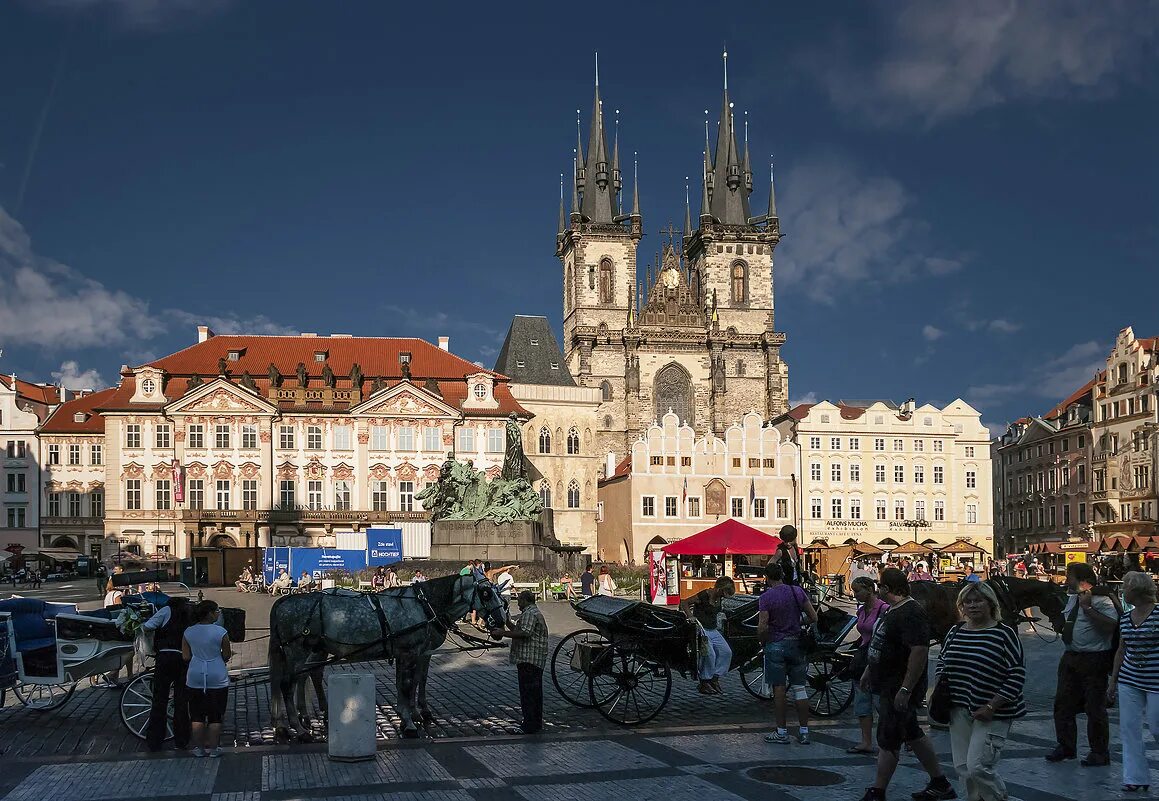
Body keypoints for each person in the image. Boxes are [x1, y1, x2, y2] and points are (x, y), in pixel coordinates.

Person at [857, 568, 956, 801]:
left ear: (888, 589)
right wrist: (869, 669)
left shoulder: (911, 613)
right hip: (888, 682)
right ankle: (940, 783)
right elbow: (881, 644)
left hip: (898, 687)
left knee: (888, 738)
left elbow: (919, 652)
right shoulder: (893, 610)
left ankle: (878, 791)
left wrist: (905, 689)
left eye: (880, 585)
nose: (878, 589)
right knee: (912, 733)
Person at [937, 581, 1026, 801]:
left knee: (978, 766)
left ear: (990, 603)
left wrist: (992, 705)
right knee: (963, 769)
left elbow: (1017, 674)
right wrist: (940, 684)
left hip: (992, 711)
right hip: (959, 708)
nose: (973, 605)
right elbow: (941, 660)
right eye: (968, 601)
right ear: (962, 606)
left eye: (979, 600)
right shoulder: (955, 631)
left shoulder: (1003, 633)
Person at [1046, 561, 1118, 766]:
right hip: (1071, 657)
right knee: (1062, 704)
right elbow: (1072, 622)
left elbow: (1111, 626)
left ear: (1084, 581)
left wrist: (1087, 608)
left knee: (1094, 708)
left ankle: (1099, 752)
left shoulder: (1102, 598)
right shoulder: (1072, 598)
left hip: (1094, 658)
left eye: (1070, 577)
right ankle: (1066, 746)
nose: (1066, 580)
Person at [1108, 571, 1159, 792]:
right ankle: (1134, 777)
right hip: (1129, 679)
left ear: (1136, 591)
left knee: (1157, 727)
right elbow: (1121, 649)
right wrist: (1113, 681)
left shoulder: (1158, 614)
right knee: (1129, 728)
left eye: (1125, 588)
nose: (1122, 592)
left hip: (1156, 680)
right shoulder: (1126, 617)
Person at [759, 563, 817, 744]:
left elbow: (763, 625)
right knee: (800, 688)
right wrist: (798, 623)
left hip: (776, 644)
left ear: (767, 578)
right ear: (783, 575)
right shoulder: (797, 591)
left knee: (779, 690)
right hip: (796, 644)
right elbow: (813, 617)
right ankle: (804, 731)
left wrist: (762, 640)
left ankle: (782, 732)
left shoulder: (766, 597)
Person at [490, 589, 549, 735]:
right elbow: (519, 629)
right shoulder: (531, 613)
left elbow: (524, 633)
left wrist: (502, 633)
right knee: (534, 694)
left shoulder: (529, 613)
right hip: (532, 659)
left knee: (528, 694)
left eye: (520, 600)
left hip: (530, 659)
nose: (518, 603)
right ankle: (535, 722)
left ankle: (529, 725)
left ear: (525, 600)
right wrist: (507, 623)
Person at [141, 597, 194, 752]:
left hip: (165, 657)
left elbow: (148, 626)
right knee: (181, 701)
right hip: (183, 658)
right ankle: (181, 740)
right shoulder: (189, 614)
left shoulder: (166, 610)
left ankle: (155, 740)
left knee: (159, 700)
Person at [182, 600, 231, 758]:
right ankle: (214, 749)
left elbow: (186, 656)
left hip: (195, 673)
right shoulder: (221, 631)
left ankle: (199, 748)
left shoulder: (188, 632)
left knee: (197, 715)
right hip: (216, 673)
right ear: (209, 613)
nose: (218, 613)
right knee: (216, 715)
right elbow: (226, 654)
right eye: (217, 610)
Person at [848, 576, 889, 755]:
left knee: (880, 702)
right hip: (863, 656)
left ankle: (888, 741)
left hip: (878, 660)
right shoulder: (861, 610)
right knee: (862, 702)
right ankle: (866, 741)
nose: (855, 594)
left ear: (870, 590)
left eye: (858, 591)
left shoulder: (884, 609)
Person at [681, 576, 736, 695]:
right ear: (719, 589)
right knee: (709, 653)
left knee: (726, 651)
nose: (723, 597)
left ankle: (715, 678)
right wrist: (690, 616)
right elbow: (684, 602)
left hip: (712, 629)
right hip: (701, 629)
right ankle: (705, 681)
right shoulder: (704, 595)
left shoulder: (719, 598)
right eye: (723, 594)